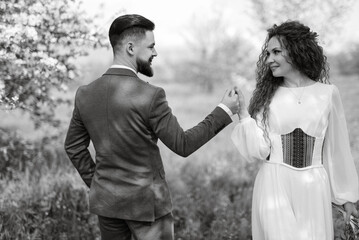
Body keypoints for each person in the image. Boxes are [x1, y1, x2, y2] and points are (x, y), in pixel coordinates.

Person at [64, 14, 240, 240]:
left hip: (107, 205)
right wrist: (224, 110)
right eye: (151, 47)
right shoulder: (150, 95)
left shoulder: (85, 94)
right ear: (130, 47)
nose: (155, 53)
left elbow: (73, 147)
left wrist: (99, 184)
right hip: (148, 208)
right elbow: (182, 144)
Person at [231, 20, 359, 239]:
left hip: (313, 188)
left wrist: (346, 197)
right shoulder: (266, 96)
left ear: (296, 50)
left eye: (276, 52)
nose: (269, 59)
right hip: (274, 184)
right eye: (268, 53)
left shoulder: (328, 94)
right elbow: (259, 150)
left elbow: (336, 150)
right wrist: (244, 114)